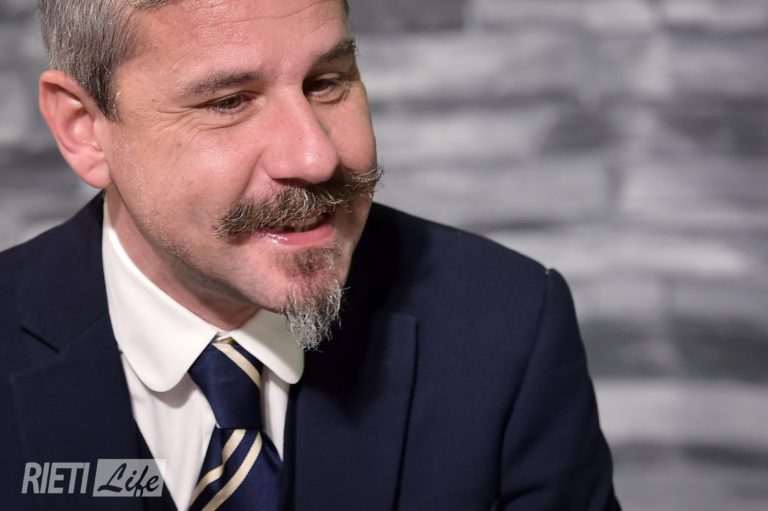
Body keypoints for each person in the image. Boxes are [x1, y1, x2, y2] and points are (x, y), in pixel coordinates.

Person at [0, 0, 621, 509]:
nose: (316, 158)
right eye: (229, 102)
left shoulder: (508, 327)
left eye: (327, 83)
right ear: (83, 129)